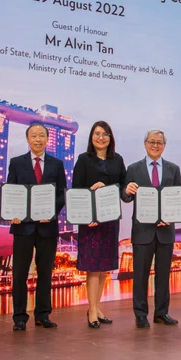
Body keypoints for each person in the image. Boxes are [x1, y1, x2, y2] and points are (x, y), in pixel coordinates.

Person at [6, 123, 67, 332]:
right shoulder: (16, 163)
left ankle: (43, 315)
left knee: (45, 273)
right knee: (20, 274)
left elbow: (61, 193)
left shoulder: (57, 164)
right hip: (22, 227)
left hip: (47, 227)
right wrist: (11, 213)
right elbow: (11, 191)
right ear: (28, 139)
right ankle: (19, 317)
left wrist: (50, 213)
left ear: (47, 139)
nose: (38, 139)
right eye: (34, 136)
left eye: (42, 135)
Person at [71, 121, 129, 329]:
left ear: (110, 138)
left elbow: (123, 187)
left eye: (105, 134)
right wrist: (91, 189)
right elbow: (76, 189)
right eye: (97, 134)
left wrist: (127, 192)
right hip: (91, 221)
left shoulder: (117, 160)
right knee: (92, 267)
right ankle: (92, 310)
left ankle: (97, 306)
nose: (101, 137)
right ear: (91, 137)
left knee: (104, 266)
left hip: (110, 219)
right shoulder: (84, 160)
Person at [124, 130, 181, 328]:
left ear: (164, 145)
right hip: (142, 230)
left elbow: (176, 198)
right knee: (140, 275)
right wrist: (126, 190)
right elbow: (126, 197)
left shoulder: (174, 169)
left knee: (164, 274)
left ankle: (162, 313)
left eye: (159, 142)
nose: (155, 145)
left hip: (166, 231)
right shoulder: (133, 169)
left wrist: (171, 217)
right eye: (152, 142)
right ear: (145, 143)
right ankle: (140, 314)